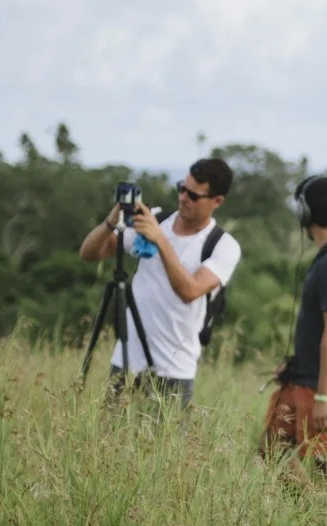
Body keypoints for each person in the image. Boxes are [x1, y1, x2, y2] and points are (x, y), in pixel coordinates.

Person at [76, 157, 243, 406]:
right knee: (108, 431)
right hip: (127, 360)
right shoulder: (156, 220)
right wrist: (111, 222)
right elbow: (89, 254)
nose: (183, 198)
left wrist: (160, 241)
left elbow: (189, 291)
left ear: (217, 201)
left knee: (166, 433)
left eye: (193, 195)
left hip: (174, 369)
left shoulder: (223, 246)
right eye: (182, 188)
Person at [264, 173, 327, 467]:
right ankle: (300, 502)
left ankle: (314, 502)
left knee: (321, 470)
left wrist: (324, 396)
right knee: (272, 455)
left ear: (305, 213)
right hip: (304, 378)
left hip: (324, 387)